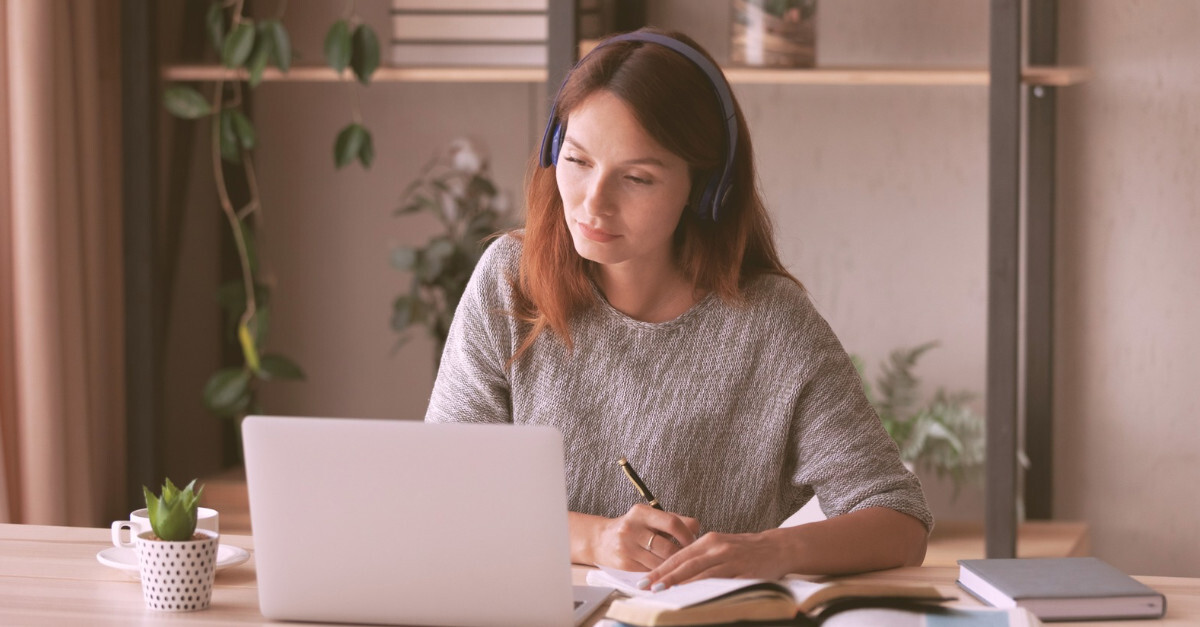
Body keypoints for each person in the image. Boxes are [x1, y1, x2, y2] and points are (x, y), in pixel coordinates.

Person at [425, 28, 932, 589]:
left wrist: (770, 551)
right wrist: (595, 538)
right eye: (577, 160)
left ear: (705, 187)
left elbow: (900, 519)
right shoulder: (509, 280)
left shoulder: (770, 324)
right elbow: (446, 493)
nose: (594, 202)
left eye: (637, 177)